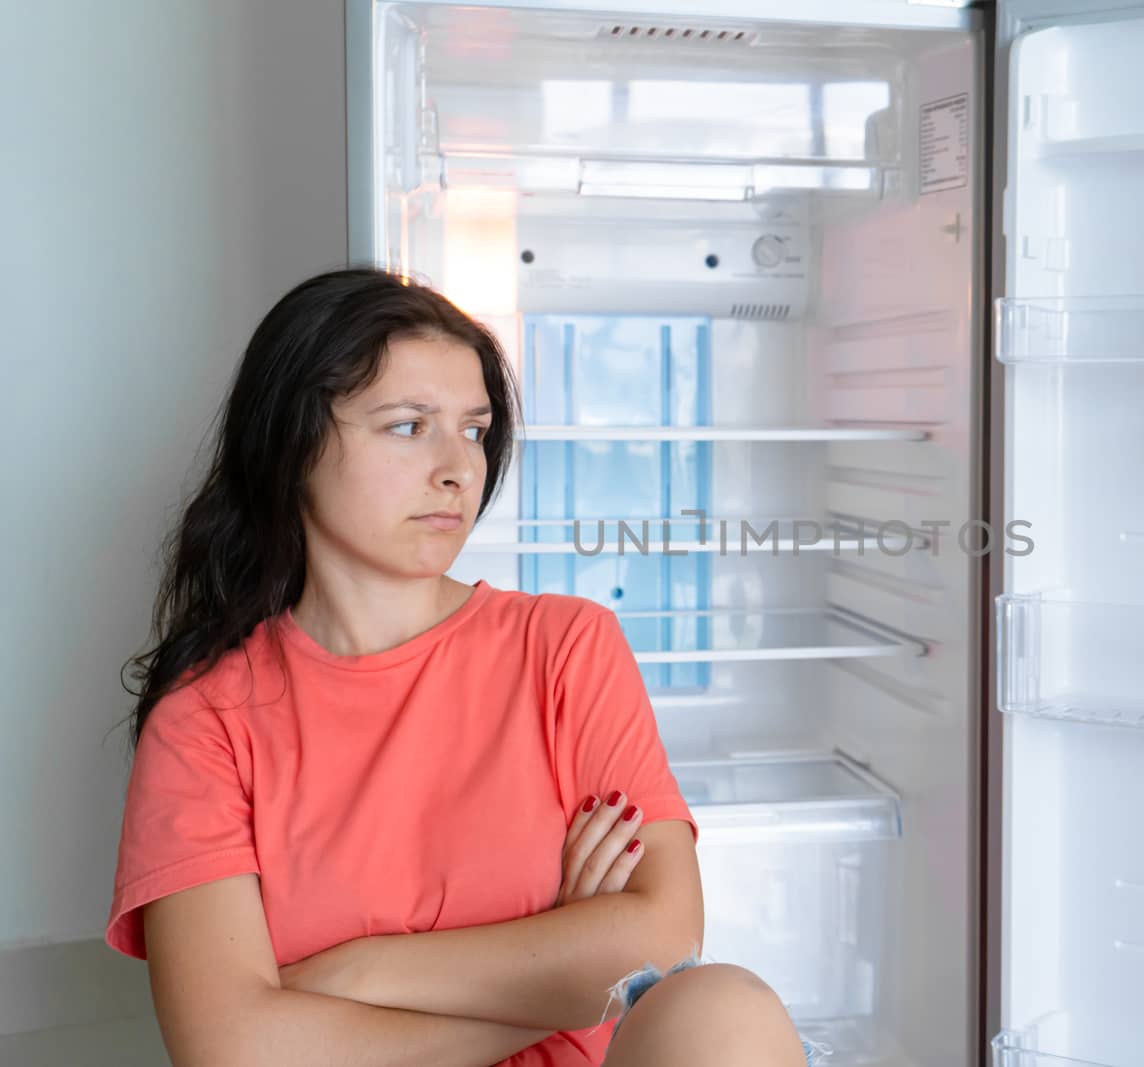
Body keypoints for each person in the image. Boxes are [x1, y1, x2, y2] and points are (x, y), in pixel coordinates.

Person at [106, 267, 823, 1066]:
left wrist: (351, 973)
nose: (458, 469)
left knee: (725, 1007)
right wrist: (549, 976)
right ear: (291, 441)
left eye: (475, 430)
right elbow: (234, 1050)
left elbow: (664, 935)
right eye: (409, 426)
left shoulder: (566, 647)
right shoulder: (205, 720)